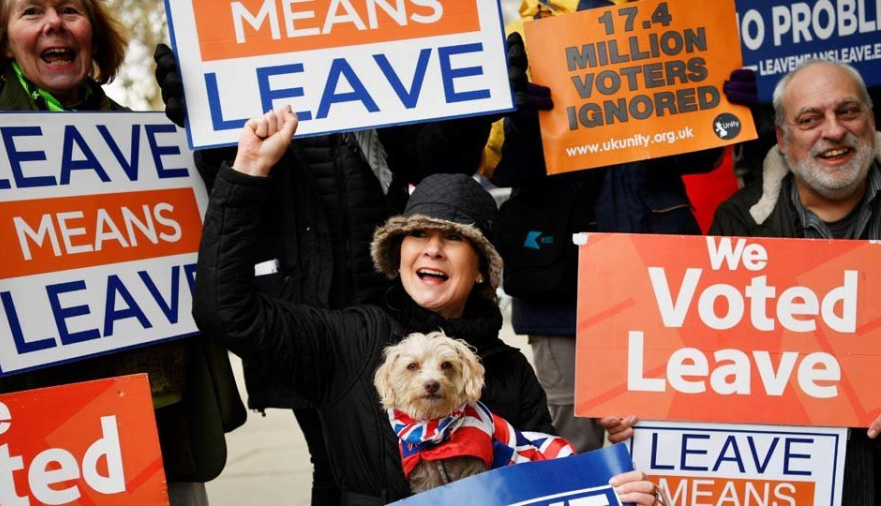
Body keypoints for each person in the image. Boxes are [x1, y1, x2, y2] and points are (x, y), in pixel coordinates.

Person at [193, 105, 669, 505]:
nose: (432, 249)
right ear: (396, 254)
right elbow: (225, 310)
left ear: (482, 267)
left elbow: (543, 488)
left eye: (454, 240)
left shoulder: (510, 373)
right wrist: (249, 171)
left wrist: (613, 483)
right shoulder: (347, 338)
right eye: (417, 234)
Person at [153, 41, 494, 504]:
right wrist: (207, 113)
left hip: (387, 306)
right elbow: (228, 176)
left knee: (408, 458)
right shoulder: (242, 52)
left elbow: (435, 164)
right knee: (336, 463)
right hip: (305, 314)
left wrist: (470, 104)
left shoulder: (374, 55)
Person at [0, 1, 247, 504]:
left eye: (69, 10)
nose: (54, 23)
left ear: (94, 36)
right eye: (31, 11)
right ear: (5, 39)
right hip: (40, 427)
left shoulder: (152, 139)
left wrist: (210, 139)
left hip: (158, 410)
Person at [489, 0, 754, 454]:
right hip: (560, 290)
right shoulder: (523, 33)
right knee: (573, 442)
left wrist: (733, 112)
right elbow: (497, 166)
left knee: (670, 433)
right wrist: (518, 117)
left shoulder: (669, 18)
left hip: (662, 280)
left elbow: (701, 156)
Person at [710, 60, 881, 505]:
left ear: (871, 119)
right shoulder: (739, 223)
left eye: (848, 112)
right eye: (810, 119)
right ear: (782, 140)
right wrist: (651, 416)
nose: (834, 131)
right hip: (791, 475)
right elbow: (708, 360)